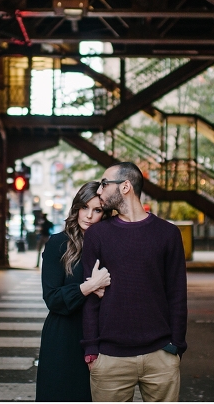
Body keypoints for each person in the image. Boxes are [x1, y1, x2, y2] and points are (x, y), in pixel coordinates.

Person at [82, 162, 187, 402]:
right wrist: (91, 350)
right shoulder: (97, 235)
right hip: (109, 359)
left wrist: (176, 347)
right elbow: (91, 297)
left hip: (161, 356)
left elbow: (177, 294)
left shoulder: (168, 234)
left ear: (126, 186)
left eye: (104, 184)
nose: (99, 191)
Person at [36, 182, 112, 402]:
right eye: (84, 207)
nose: (88, 216)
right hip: (63, 336)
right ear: (76, 208)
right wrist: (89, 287)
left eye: (97, 210)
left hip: (100, 335)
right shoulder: (58, 244)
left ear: (105, 213)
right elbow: (52, 298)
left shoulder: (109, 245)